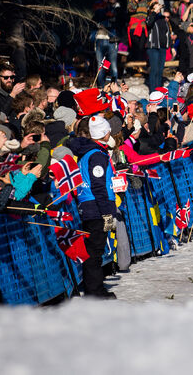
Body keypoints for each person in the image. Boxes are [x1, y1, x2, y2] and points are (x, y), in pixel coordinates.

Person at [69, 115, 119, 299]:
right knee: (95, 251)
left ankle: (95, 288)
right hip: (95, 207)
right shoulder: (97, 155)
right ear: (104, 134)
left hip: (90, 205)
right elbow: (98, 185)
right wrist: (107, 212)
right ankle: (94, 291)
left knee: (94, 250)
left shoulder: (90, 152)